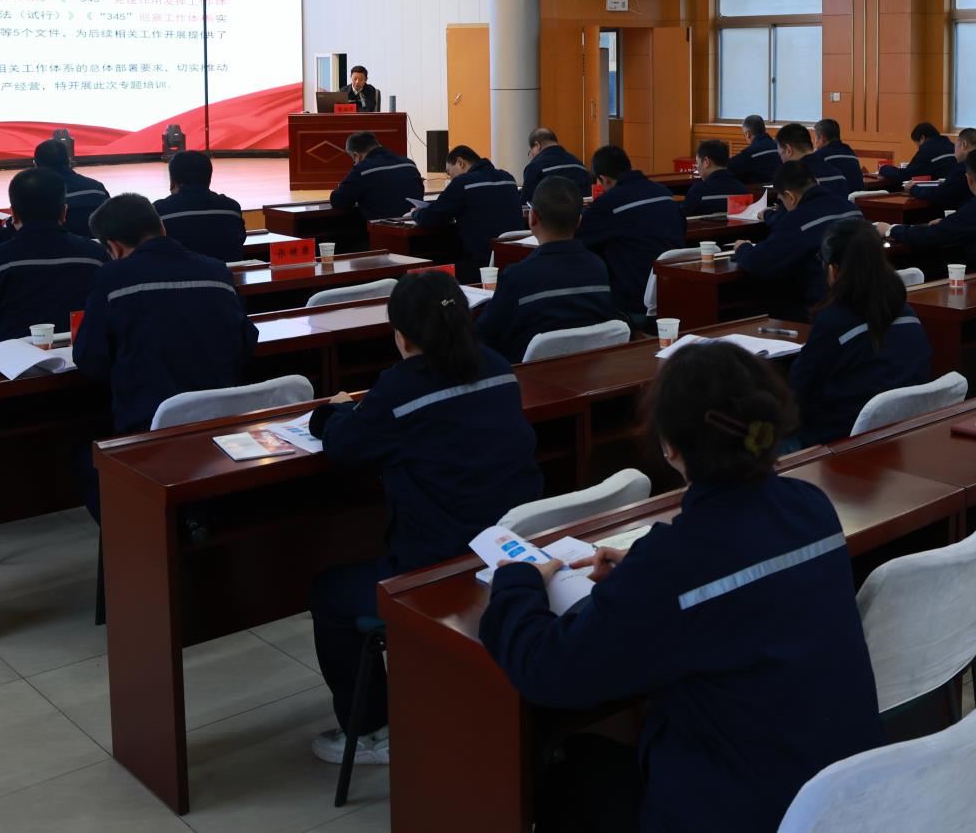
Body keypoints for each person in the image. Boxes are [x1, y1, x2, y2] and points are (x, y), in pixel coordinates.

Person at [480, 341, 883, 833]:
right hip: (841, 793)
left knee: (569, 769)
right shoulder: (811, 506)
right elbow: (738, 587)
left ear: (669, 446)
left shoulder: (674, 564)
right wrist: (642, 571)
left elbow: (548, 670)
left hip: (746, 809)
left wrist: (517, 580)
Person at [310, 271, 542, 769]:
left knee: (329, 594)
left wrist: (330, 413)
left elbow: (344, 446)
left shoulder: (401, 388)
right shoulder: (498, 366)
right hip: (507, 553)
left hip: (438, 567)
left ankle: (370, 730)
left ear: (402, 337)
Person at [72, 193, 258, 437]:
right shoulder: (216, 271)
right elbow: (246, 342)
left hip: (147, 429)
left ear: (114, 247)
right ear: (162, 227)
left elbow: (90, 358)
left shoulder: (111, 278)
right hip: (223, 424)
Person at [785, 222, 934, 447]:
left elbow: (797, 392)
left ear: (833, 270)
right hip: (903, 441)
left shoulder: (833, 323)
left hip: (837, 447)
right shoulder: (908, 314)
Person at [0, 169, 106, 353]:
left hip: (10, 365)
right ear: (64, 212)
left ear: (14, 215)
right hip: (84, 362)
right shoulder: (96, 256)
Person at [474, 177, 618, 361]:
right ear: (579, 221)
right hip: (589, 368)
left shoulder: (517, 277)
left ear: (533, 217)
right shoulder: (598, 268)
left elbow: (484, 335)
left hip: (526, 373)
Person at [733, 160, 865, 319]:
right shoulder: (851, 208)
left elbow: (760, 262)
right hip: (863, 298)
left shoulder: (798, 220)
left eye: (782, 200)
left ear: (790, 197)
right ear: (816, 182)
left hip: (821, 305)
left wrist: (743, 248)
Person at [576, 145, 686, 315]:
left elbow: (578, 235)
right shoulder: (664, 193)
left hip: (636, 297)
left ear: (604, 179)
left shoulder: (610, 203)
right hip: (675, 286)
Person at [414, 144, 522, 283]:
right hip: (512, 261)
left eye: (449, 172)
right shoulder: (508, 178)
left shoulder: (463, 183)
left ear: (460, 162)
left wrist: (417, 213)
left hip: (479, 266)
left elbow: (431, 217)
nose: (450, 178)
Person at [152, 149, 246, 263]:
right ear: (209, 178)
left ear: (172, 180)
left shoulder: (159, 211)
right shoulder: (232, 209)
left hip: (178, 273)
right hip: (227, 273)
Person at [330, 131, 425, 224]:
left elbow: (338, 201)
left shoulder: (363, 169)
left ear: (356, 155)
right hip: (417, 226)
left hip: (385, 229)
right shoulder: (409, 163)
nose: (355, 163)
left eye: (354, 160)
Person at [31, 136, 110, 237]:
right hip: (94, 245)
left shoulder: (31, 195)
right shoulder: (97, 189)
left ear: (35, 165)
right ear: (69, 161)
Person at [907, 127, 976, 211]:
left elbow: (939, 195)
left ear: (964, 145)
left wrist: (914, 189)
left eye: (955, 145)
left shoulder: (963, 169)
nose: (954, 149)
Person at [776, 123, 851, 196]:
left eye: (780, 155)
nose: (781, 160)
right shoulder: (839, 175)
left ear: (788, 150)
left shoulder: (792, 178)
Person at [520, 127, 592, 205]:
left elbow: (526, 203)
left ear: (537, 145)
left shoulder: (534, 167)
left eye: (531, 151)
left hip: (549, 212)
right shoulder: (580, 165)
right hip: (579, 212)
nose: (532, 155)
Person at [681, 140, 752, 215]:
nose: (697, 167)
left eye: (697, 163)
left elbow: (682, 216)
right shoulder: (742, 190)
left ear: (706, 162)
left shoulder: (698, 191)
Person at [876, 122, 957, 187]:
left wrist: (883, 168)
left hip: (935, 192)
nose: (918, 148)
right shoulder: (952, 146)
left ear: (922, 138)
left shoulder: (927, 150)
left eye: (917, 143)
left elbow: (905, 176)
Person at [730, 115, 783, 186]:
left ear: (748, 134)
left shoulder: (749, 153)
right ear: (764, 130)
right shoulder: (780, 148)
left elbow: (729, 167)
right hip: (779, 189)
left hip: (758, 190)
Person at [811, 118, 864, 187]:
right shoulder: (849, 151)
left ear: (821, 138)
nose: (815, 141)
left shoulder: (820, 155)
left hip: (838, 193)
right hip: (857, 193)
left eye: (815, 137)